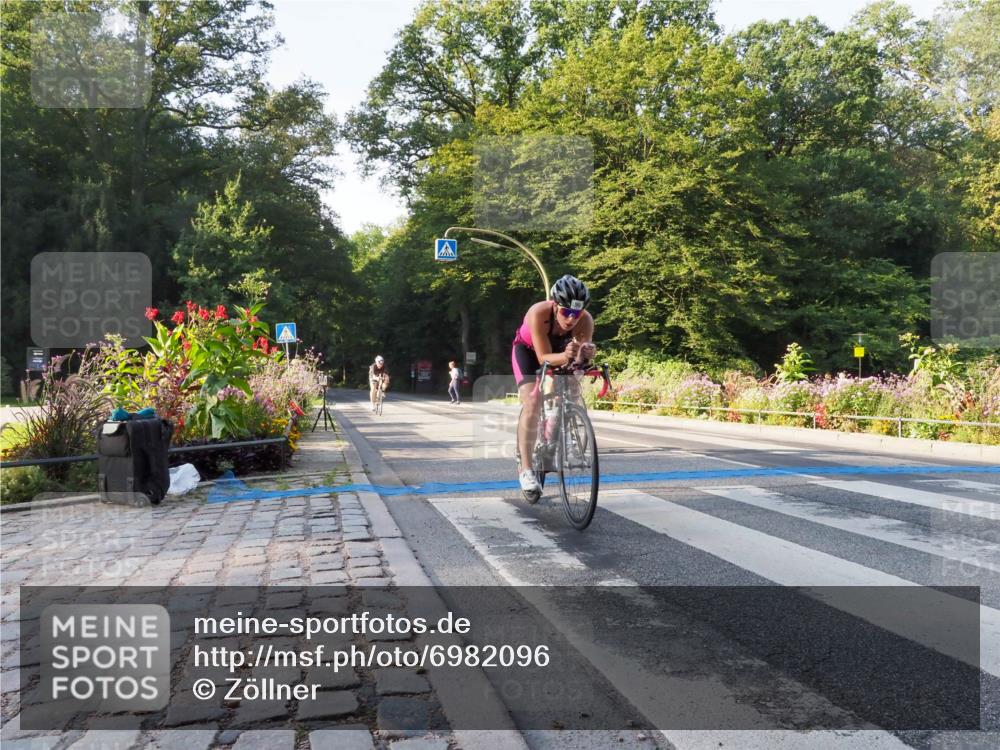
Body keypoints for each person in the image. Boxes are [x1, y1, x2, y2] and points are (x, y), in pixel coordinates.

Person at [511, 274, 596, 499]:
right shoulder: (539, 312)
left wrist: (585, 357)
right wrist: (567, 355)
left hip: (561, 352)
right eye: (566, 312)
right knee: (532, 401)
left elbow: (579, 362)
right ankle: (526, 469)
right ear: (555, 305)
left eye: (576, 314)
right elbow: (542, 358)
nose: (571, 319)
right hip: (529, 352)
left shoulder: (585, 321)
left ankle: (561, 432)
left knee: (574, 387)